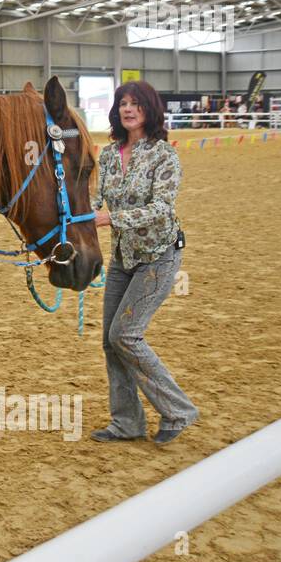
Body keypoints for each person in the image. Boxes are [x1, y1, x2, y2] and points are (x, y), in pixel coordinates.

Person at [90, 80, 199, 445]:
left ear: (149, 110)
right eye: (123, 102)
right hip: (123, 257)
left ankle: (178, 409)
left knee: (125, 334)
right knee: (110, 340)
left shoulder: (164, 155)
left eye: (135, 103)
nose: (127, 108)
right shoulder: (107, 155)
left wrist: (110, 220)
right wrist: (75, 222)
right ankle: (127, 423)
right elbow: (95, 199)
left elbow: (161, 209)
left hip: (158, 256)